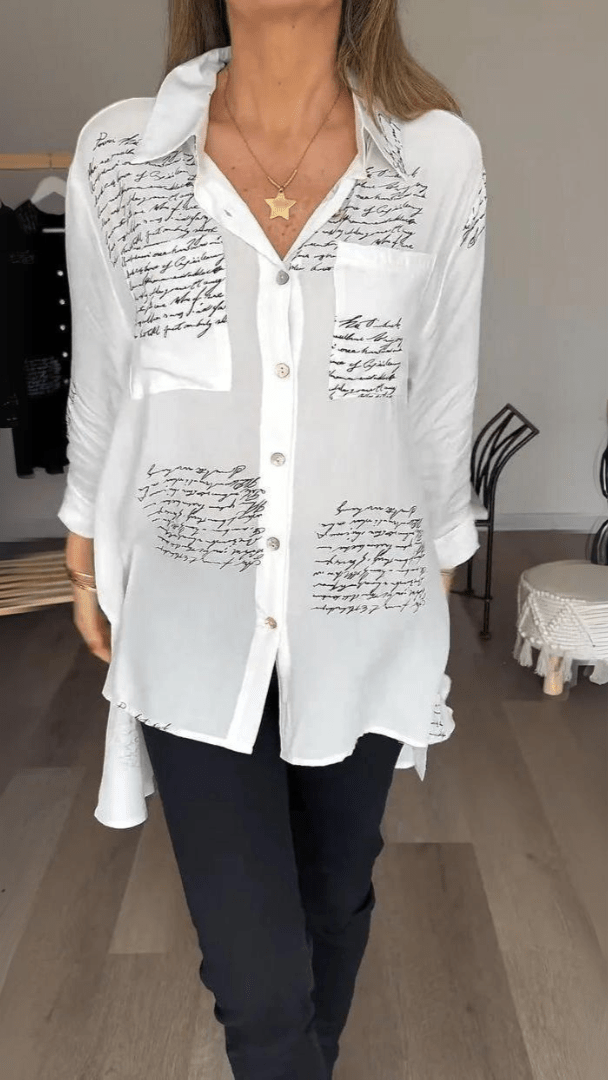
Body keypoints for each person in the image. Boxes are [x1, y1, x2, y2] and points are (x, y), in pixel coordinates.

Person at [60, 1, 487, 1077]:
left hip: (363, 610)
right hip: (190, 615)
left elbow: (439, 390)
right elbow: (104, 378)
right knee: (256, 983)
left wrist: (440, 558)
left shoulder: (434, 160)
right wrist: (82, 537)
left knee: (331, 901)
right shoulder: (122, 155)